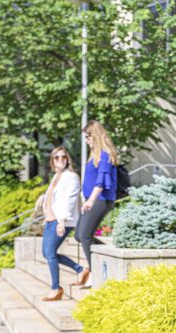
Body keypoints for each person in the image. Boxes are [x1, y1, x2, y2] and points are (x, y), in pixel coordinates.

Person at [72, 120, 118, 289]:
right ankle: (107, 255)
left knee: (84, 235)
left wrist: (91, 200)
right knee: (79, 235)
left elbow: (101, 181)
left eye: (88, 137)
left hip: (100, 200)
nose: (86, 140)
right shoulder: (95, 155)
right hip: (92, 200)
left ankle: (94, 273)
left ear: (95, 135)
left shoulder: (105, 154)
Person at [38, 146, 84, 302]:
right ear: (52, 161)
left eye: (63, 157)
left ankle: (56, 288)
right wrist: (43, 197)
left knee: (50, 253)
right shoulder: (57, 176)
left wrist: (62, 222)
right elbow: (55, 194)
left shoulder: (71, 177)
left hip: (61, 220)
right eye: (56, 158)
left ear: (68, 159)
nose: (60, 160)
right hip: (51, 219)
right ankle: (81, 270)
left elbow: (69, 200)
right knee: (47, 253)